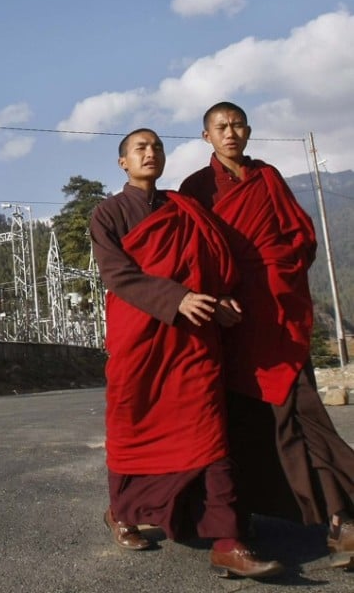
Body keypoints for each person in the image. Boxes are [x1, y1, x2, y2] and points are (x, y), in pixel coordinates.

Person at [89, 127, 282, 579]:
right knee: (132, 424)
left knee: (209, 430)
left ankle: (228, 540)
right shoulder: (108, 214)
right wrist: (175, 298)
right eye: (140, 148)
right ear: (123, 163)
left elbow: (212, 264)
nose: (150, 153)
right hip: (139, 339)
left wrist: (221, 299)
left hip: (193, 340)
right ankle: (121, 512)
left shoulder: (183, 209)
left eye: (156, 147)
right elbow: (117, 275)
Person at [180, 101, 354, 567]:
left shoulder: (269, 177)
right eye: (221, 127)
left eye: (237, 125)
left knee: (303, 408)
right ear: (206, 137)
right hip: (234, 319)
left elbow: (301, 235)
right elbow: (193, 253)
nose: (230, 133)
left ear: (250, 131)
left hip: (278, 309)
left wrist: (282, 273)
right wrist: (216, 298)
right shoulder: (196, 188)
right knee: (244, 416)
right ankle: (246, 514)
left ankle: (342, 518)